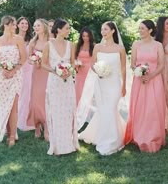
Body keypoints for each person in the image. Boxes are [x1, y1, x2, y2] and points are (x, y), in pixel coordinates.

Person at [78, 21, 126, 155]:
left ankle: (112, 141)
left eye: (105, 29)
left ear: (113, 31)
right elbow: (93, 63)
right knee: (104, 110)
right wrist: (99, 71)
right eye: (102, 30)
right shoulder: (98, 47)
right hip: (101, 83)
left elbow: (123, 68)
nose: (103, 32)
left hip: (114, 83)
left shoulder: (119, 49)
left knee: (111, 109)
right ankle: (102, 136)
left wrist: (124, 86)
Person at [124, 20, 166, 152]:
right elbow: (132, 63)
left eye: (142, 28)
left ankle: (153, 136)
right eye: (139, 28)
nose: (140, 31)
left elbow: (161, 65)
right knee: (141, 108)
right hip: (139, 81)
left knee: (153, 108)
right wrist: (139, 73)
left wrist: (150, 75)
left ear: (150, 30)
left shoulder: (158, 45)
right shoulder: (136, 44)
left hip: (154, 80)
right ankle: (139, 135)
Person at [42, 18, 79, 155]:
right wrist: (56, 71)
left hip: (68, 82)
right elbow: (43, 63)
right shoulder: (48, 45)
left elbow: (73, 63)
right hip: (54, 82)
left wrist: (68, 71)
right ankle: (58, 145)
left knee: (68, 111)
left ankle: (69, 144)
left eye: (69, 28)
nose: (69, 30)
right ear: (58, 29)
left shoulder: (71, 45)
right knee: (56, 112)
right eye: (67, 28)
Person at [0, 15, 26, 146]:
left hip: (16, 75)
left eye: (15, 25)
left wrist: (14, 70)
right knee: (4, 105)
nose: (16, 27)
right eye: (13, 25)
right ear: (6, 25)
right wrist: (2, 69)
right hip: (2, 77)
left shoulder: (19, 39)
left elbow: (23, 58)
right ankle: (7, 131)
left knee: (13, 106)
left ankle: (13, 135)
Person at [27, 18, 49, 140]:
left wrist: (43, 61)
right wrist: (34, 60)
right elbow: (29, 59)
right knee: (35, 101)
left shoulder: (50, 42)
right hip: (36, 73)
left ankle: (46, 126)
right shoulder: (33, 42)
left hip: (46, 73)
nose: (35, 27)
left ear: (44, 27)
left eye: (38, 25)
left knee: (45, 99)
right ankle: (37, 125)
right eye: (34, 26)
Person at [16, 16, 34, 131]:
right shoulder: (14, 39)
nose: (24, 25)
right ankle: (15, 119)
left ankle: (25, 120)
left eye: (26, 24)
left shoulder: (31, 40)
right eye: (22, 23)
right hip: (17, 69)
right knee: (17, 95)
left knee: (26, 95)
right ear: (17, 25)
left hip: (29, 70)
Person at [75, 27, 95, 105]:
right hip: (79, 72)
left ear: (90, 36)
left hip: (90, 72)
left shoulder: (94, 46)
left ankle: (88, 113)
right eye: (83, 36)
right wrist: (76, 64)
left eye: (87, 36)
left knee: (89, 92)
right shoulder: (77, 46)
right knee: (79, 92)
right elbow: (74, 58)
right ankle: (78, 112)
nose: (85, 38)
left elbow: (96, 60)